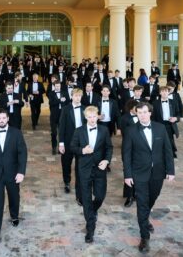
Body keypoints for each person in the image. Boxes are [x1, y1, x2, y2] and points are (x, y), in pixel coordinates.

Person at [123, 102, 175, 253]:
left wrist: (170, 170)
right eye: (139, 113)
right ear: (136, 114)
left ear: (150, 113)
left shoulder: (160, 128)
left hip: (158, 173)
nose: (143, 115)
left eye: (145, 112)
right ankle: (144, 237)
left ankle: (145, 218)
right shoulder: (131, 131)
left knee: (152, 197)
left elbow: (167, 150)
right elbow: (126, 155)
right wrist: (128, 174)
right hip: (139, 173)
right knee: (142, 203)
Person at [0, 109, 28, 250]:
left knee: (14, 197)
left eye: (4, 118)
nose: (2, 120)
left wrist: (21, 172)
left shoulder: (16, 133)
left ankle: (14, 216)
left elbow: (22, 153)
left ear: (8, 118)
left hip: (13, 173)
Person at [70, 106, 113, 243]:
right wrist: (82, 150)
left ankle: (92, 210)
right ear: (86, 117)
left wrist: (106, 160)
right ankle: (90, 228)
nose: (92, 119)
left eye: (94, 116)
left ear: (97, 116)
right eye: (89, 117)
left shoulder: (104, 130)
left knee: (100, 195)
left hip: (100, 168)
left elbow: (109, 147)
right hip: (84, 169)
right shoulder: (79, 131)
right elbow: (72, 147)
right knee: (86, 198)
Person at [59, 88, 85, 205]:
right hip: (69, 141)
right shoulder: (65, 109)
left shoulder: (85, 109)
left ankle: (79, 190)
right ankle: (67, 182)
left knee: (80, 166)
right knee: (66, 163)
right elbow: (62, 126)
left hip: (81, 143)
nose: (78, 98)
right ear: (72, 96)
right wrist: (61, 143)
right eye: (76, 96)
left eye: (79, 96)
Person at [120, 99, 139, 207]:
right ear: (132, 108)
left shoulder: (141, 116)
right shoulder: (124, 118)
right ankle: (129, 196)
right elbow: (125, 134)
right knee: (128, 171)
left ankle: (136, 193)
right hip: (128, 148)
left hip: (140, 149)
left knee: (138, 171)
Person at [152, 86, 180, 158]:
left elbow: (178, 113)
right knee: (160, 139)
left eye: (166, 91)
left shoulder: (173, 102)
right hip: (159, 124)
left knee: (170, 139)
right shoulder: (155, 103)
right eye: (162, 91)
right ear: (160, 93)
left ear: (168, 92)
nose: (164, 93)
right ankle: (161, 153)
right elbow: (153, 116)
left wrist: (176, 118)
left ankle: (171, 152)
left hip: (170, 124)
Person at [48, 80, 70, 154]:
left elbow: (68, 103)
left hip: (62, 115)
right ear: (54, 86)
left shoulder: (65, 93)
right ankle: (54, 147)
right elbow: (51, 103)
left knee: (62, 133)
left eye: (59, 86)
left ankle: (61, 148)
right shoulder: (51, 93)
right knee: (54, 133)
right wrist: (59, 100)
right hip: (54, 116)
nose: (58, 87)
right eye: (56, 86)